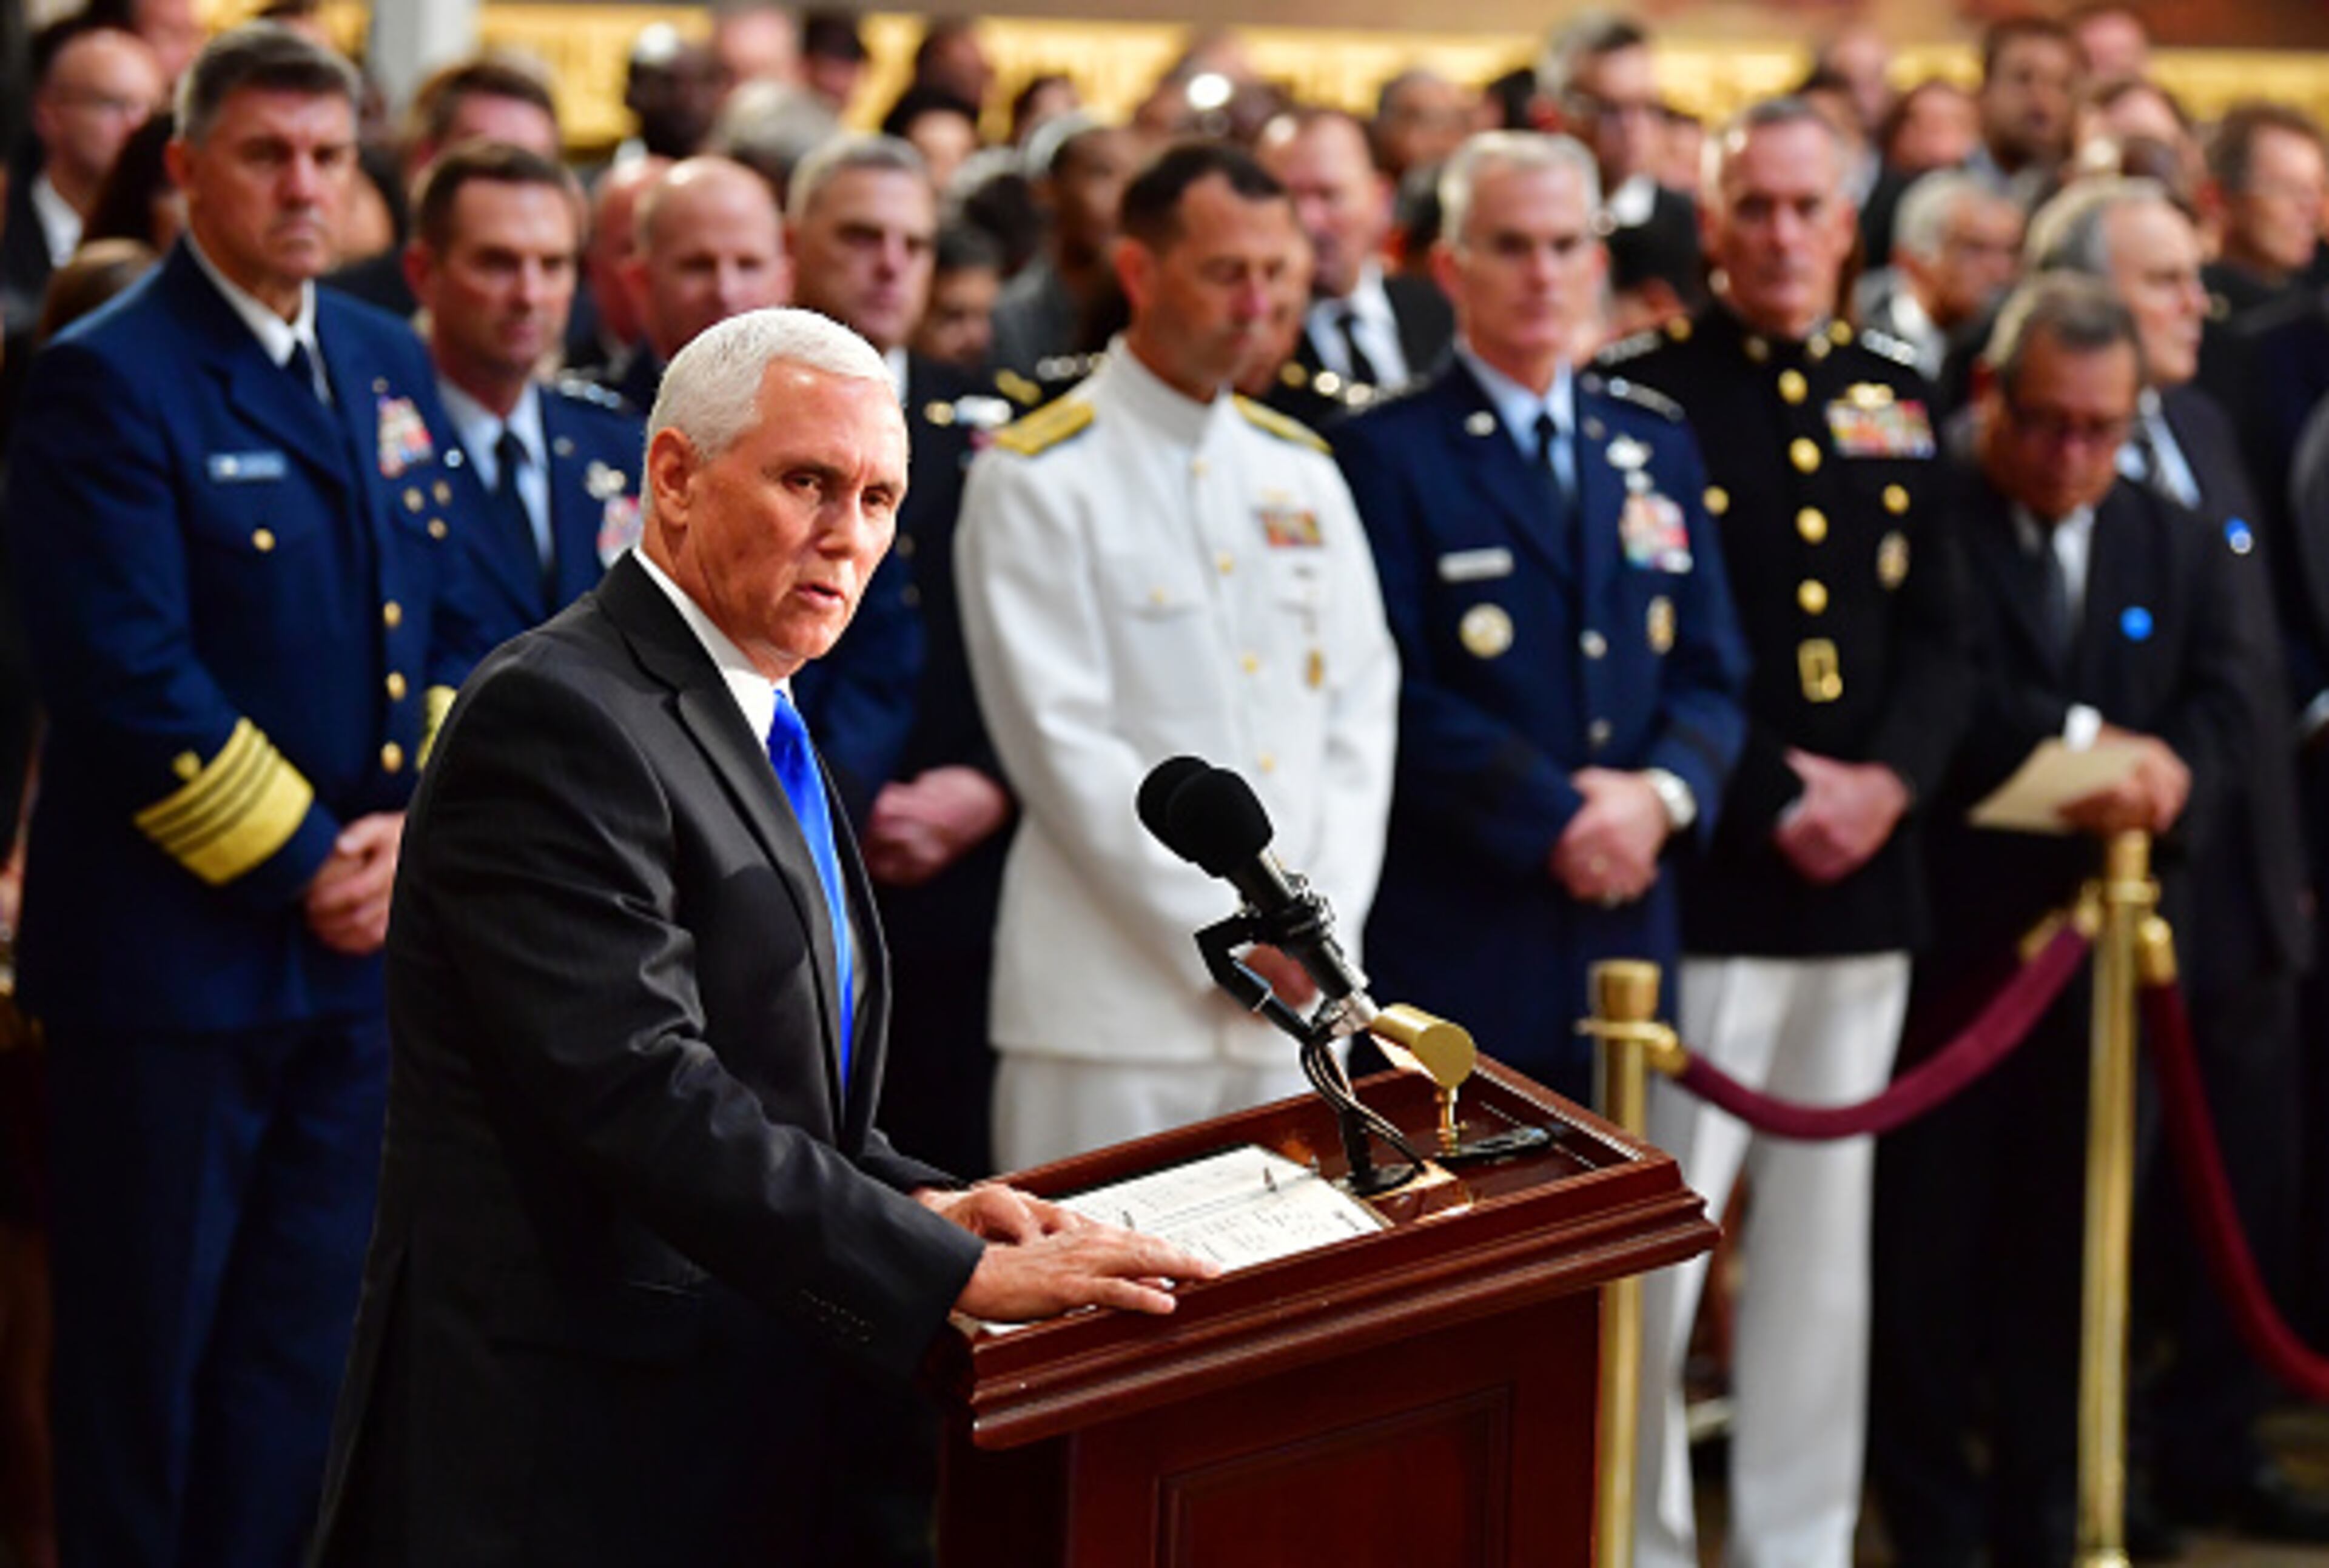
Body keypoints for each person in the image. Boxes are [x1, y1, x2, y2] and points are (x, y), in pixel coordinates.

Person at [311, 307, 1209, 1565]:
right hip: (570, 1456)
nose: (848, 537)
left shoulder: (757, 709)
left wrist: (939, 1206)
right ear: (672, 478)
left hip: (738, 1419)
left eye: (881, 498)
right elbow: (641, 1091)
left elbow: (789, 1097)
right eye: (809, 483)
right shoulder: (559, 717)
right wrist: (939, 1275)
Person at [2, 24, 489, 1565]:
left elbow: (458, 618)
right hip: (173, 968)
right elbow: (124, 674)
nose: (300, 185)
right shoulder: (108, 375)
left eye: (328, 157)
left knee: (298, 1363)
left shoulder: (385, 354)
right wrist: (306, 862)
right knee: (149, 1377)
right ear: (185, 167)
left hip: (353, 971)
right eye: (267, 154)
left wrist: (416, 832)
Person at [1604, 96, 1974, 1568]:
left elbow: (1943, 632)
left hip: (1863, 883)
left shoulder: (1892, 388)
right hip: (1715, 875)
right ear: (1710, 224)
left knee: (1823, 1253)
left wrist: (1883, 783)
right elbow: (1642, 648)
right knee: (1666, 1250)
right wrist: (1774, 792)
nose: (1777, 234)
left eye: (1804, 209)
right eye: (1750, 207)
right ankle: (1630, 1534)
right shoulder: (1643, 394)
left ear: (1844, 225)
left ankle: (1796, 1541)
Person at [1870, 272, 2251, 1568]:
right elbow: (1941, 699)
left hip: (2106, 964)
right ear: (1991, 398)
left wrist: (2175, 773)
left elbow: (2227, 694)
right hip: (1958, 954)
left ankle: (2052, 1509)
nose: (2072, 456)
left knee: (2071, 1251)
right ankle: (1930, 1519)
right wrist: (2093, 747)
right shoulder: (1930, 513)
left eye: (2102, 429)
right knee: (1929, 1257)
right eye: (2047, 425)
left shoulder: (2172, 537)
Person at [957, 142, 1398, 1171]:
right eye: (1225, 271)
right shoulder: (1038, 477)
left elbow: (1361, 720)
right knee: (1095, 1321)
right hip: (1112, 1011)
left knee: (1303, 1320)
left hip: (1302, 1011)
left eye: (1276, 271)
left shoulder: (1303, 474)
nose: (1258, 302)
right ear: (1141, 272)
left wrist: (1313, 927)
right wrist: (1237, 936)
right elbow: (1062, 745)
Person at [1333, 130, 1746, 1102]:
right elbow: (1387, 686)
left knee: (1620, 1244)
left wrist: (1660, 798)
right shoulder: (1384, 452)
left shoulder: (1650, 443)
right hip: (1467, 921)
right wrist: (1557, 817)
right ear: (1449, 266)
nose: (1543, 273)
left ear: (1598, 264)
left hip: (1626, 922)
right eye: (1512, 245)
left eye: (1566, 247)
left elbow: (1713, 667)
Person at [406, 141, 644, 649]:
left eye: (553, 265)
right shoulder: (377, 446)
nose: (530, 296)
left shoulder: (616, 443)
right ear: (423, 273)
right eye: (497, 264)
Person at [1257, 107, 1454, 405]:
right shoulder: (1246, 339)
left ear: (1381, 199)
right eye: (1288, 198)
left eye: (1329, 195)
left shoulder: (1444, 317)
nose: (1311, 221)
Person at [3, 25, 164, 337]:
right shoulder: (8, 221)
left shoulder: (162, 238)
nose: (136, 125)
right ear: (48, 114)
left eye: (151, 108)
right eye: (113, 104)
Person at [605, 154, 790, 413]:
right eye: (698, 266)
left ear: (785, 279)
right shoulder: (589, 426)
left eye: (749, 265)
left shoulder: (823, 417)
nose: (726, 291)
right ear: (641, 282)